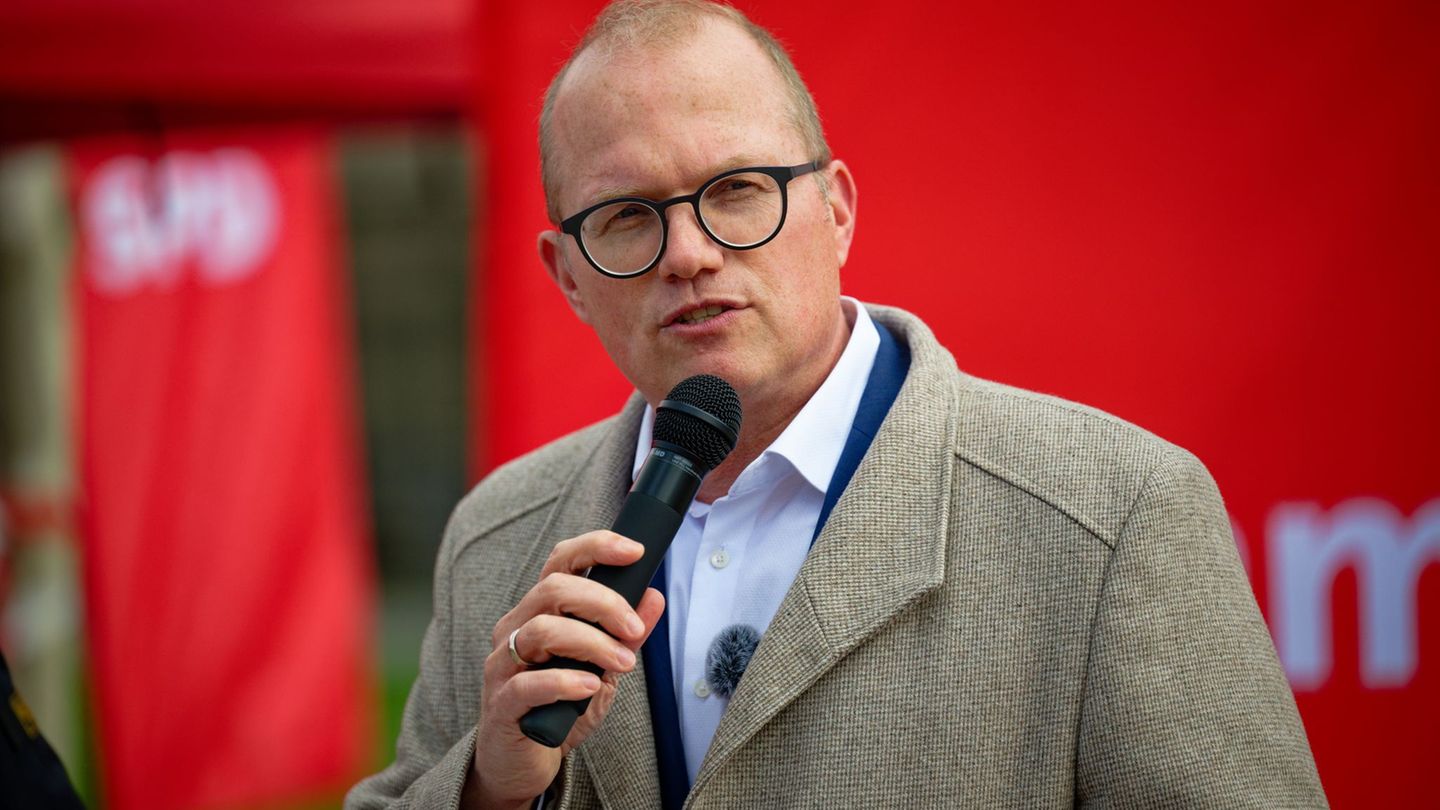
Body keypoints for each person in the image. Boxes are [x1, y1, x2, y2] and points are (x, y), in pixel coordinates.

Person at [349, 1, 1327, 807]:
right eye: (628, 216)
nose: (687, 253)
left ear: (839, 209)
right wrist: (485, 789)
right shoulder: (497, 536)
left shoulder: (1115, 515)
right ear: (567, 276)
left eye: (737, 190)